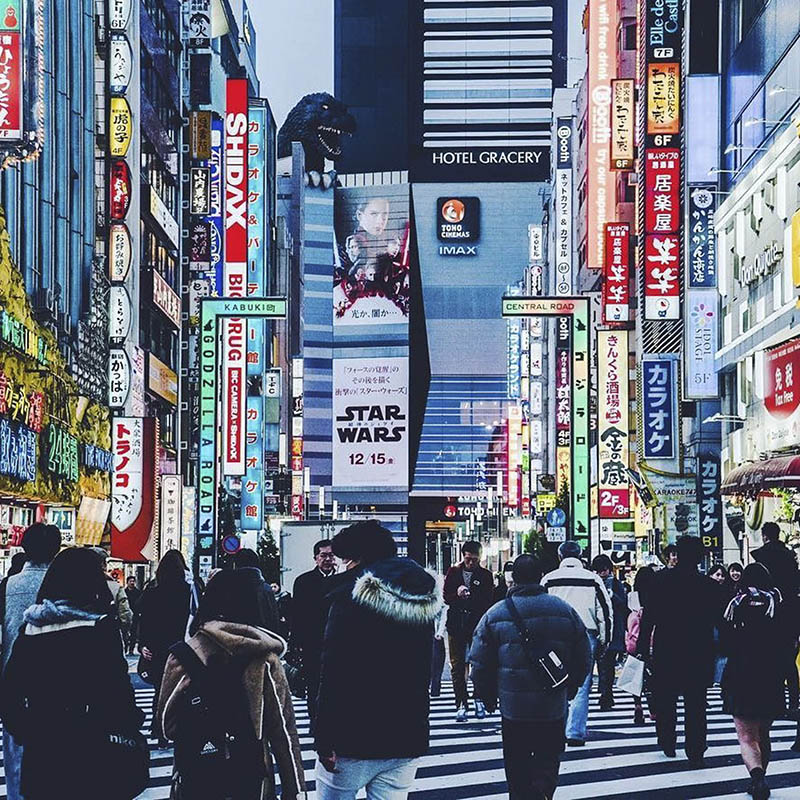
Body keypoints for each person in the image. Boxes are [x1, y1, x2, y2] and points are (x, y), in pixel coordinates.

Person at [2, 547, 144, 799]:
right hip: (92, 750)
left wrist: (28, 729)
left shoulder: (31, 630)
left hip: (42, 751)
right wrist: (132, 723)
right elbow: (119, 694)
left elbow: (10, 694)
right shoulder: (100, 629)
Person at [314, 521, 441, 800]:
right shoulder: (421, 598)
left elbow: (334, 672)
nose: (343, 567)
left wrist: (324, 738)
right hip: (406, 735)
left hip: (352, 736)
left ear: (358, 559)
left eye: (345, 559)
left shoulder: (350, 599)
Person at [157, 568, 305, 800]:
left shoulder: (184, 655)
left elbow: (168, 725)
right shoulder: (265, 658)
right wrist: (294, 791)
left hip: (196, 774)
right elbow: (283, 732)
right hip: (251, 776)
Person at [470, 555, 592, 800]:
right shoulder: (564, 610)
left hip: (513, 707)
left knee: (517, 763)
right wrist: (569, 688)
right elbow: (584, 657)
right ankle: (542, 793)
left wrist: (486, 694)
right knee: (548, 759)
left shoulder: (496, 613)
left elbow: (479, 662)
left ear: (514, 578)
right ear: (541, 576)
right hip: (552, 704)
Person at [637, 536, 725, 767]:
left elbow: (649, 618)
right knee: (696, 701)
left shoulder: (660, 581)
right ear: (699, 558)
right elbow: (720, 621)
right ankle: (695, 749)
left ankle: (667, 739)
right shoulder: (708, 586)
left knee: (666, 697)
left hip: (668, 647)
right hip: (699, 649)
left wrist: (643, 648)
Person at [0, 523, 61, 800]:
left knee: (16, 762)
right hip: (61, 687)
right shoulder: (69, 584)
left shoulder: (7, 586)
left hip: (14, 684)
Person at [720, 563, 786, 800]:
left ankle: (757, 778)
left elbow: (725, 642)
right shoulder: (777, 604)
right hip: (770, 673)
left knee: (747, 736)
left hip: (741, 673)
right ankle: (761, 775)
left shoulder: (735, 605)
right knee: (764, 732)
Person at [541, 540, 612, 746]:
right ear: (581, 556)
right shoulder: (592, 579)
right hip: (585, 633)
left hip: (553, 634)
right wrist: (604, 639)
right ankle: (575, 732)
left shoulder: (549, 579)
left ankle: (556, 729)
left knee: (555, 681)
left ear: (560, 556)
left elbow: (540, 606)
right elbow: (605, 612)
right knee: (583, 684)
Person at [136, 549, 194, 747]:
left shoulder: (152, 591)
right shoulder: (188, 590)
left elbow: (142, 619)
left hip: (157, 649)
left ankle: (159, 729)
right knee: (182, 690)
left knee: (160, 690)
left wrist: (142, 644)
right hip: (182, 648)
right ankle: (177, 728)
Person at [752, 521, 800, 715]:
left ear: (764, 536)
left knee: (769, 660)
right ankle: (794, 702)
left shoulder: (760, 556)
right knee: (789, 660)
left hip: (766, 613)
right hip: (789, 612)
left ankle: (775, 702)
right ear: (779, 535)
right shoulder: (790, 557)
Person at [443, 540, 495, 721]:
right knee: (457, 666)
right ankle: (461, 703)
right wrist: (457, 594)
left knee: (479, 664)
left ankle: (478, 698)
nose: (471, 563)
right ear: (463, 556)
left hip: (477, 624)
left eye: (474, 559)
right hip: (456, 624)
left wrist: (472, 596)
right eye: (467, 559)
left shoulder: (486, 575)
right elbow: (445, 597)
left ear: (480, 557)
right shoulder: (453, 572)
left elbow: (489, 600)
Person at [292, 539, 339, 723]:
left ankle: (333, 722)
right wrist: (297, 644)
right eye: (323, 555)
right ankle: (315, 721)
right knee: (313, 685)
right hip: (312, 643)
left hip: (337, 643)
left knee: (336, 685)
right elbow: (297, 614)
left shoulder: (342, 580)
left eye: (331, 555)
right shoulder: (303, 581)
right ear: (315, 558)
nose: (328, 559)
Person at [591, 554, 628, 711]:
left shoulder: (616, 584)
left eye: (604, 570)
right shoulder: (593, 584)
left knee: (608, 663)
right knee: (602, 663)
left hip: (613, 629)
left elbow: (623, 605)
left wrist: (611, 595)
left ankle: (607, 694)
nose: (601, 574)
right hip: (599, 628)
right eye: (598, 571)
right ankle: (605, 692)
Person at [626, 566, 657, 725]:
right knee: (652, 677)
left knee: (635, 674)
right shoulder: (656, 596)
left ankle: (637, 705)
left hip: (633, 641)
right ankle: (653, 710)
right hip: (651, 640)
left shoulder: (632, 596)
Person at [232, 547, 281, 632]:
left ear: (235, 565)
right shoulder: (266, 589)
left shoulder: (228, 588)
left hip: (232, 640)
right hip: (261, 639)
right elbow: (273, 621)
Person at [90, 546, 133, 633]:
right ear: (103, 565)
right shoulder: (115, 587)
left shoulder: (78, 586)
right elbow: (126, 616)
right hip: (109, 637)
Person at [430, 589, 447, 698]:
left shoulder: (438, 599)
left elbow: (444, 613)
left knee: (437, 662)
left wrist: (440, 632)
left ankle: (435, 688)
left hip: (435, 635)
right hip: (426, 633)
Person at [124, 575, 142, 655]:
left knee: (133, 632)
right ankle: (125, 648)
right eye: (130, 581)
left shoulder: (138, 592)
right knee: (125, 632)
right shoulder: (124, 592)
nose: (132, 583)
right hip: (125, 614)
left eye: (133, 581)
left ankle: (131, 649)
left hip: (135, 614)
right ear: (127, 582)